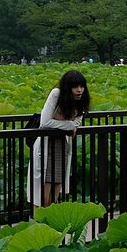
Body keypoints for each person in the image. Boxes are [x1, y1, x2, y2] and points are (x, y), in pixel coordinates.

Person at [28, 70, 90, 207]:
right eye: (75, 87)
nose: (79, 90)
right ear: (68, 88)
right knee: (43, 193)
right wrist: (68, 125)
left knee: (56, 189)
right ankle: (39, 224)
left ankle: (51, 224)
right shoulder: (57, 94)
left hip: (62, 147)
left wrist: (68, 126)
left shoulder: (81, 103)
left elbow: (76, 124)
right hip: (46, 145)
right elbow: (44, 123)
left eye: (81, 86)